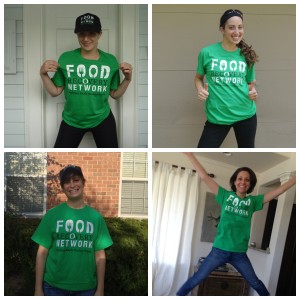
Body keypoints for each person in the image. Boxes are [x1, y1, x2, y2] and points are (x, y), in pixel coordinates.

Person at [176, 153, 296, 296]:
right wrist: (190, 156)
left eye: (247, 180)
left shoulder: (253, 202)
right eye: (240, 178)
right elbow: (204, 177)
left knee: (255, 282)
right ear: (234, 182)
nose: (243, 182)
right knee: (197, 278)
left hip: (239, 254)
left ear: (250, 184)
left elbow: (280, 190)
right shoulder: (225, 196)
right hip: (219, 251)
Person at [40, 13, 133, 148]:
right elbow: (55, 91)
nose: (86, 38)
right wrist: (43, 74)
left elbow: (115, 94)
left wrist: (128, 79)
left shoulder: (111, 61)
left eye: (92, 33)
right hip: (72, 120)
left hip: (102, 118)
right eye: (81, 34)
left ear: (99, 34)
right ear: (77, 35)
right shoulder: (66, 58)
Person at [32, 165, 113, 296]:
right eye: (67, 182)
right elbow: (42, 253)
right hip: (54, 288)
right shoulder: (52, 215)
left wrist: (100, 289)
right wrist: (37, 289)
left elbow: (100, 256)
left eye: (76, 180)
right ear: (62, 187)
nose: (72, 185)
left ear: (83, 182)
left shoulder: (96, 218)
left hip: (86, 289)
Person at [195, 9, 259, 148]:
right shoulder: (207, 52)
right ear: (222, 29)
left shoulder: (247, 55)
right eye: (231, 27)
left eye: (240, 27)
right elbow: (198, 78)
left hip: (246, 115)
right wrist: (200, 89)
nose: (237, 32)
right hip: (217, 117)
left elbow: (249, 85)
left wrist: (253, 92)